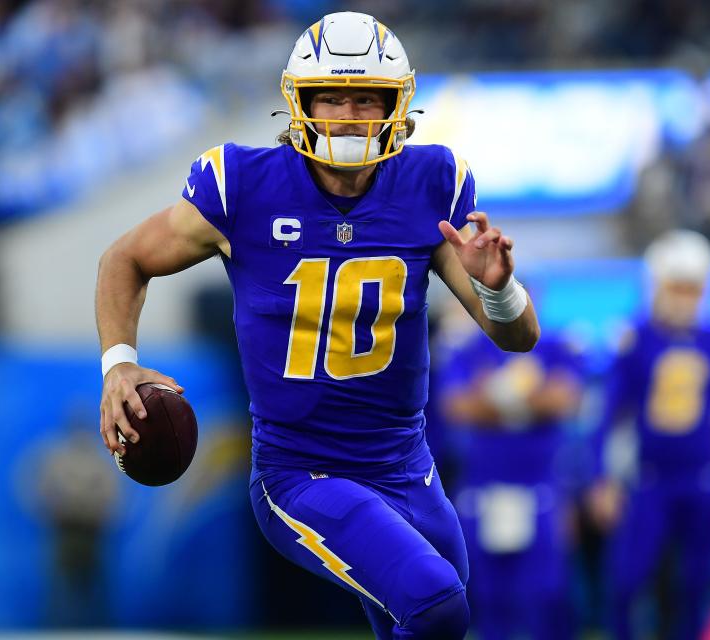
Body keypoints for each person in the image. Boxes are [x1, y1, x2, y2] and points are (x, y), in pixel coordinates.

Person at [94, 12, 539, 639]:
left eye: (366, 98)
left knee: (435, 618)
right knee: (438, 603)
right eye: (332, 95)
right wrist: (119, 362)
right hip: (303, 473)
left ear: (397, 105)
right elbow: (126, 258)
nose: (349, 115)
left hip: (407, 467)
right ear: (300, 102)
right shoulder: (242, 186)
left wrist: (499, 290)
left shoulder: (432, 185)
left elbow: (518, 337)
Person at [585, 230, 710, 640]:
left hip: (704, 479)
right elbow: (607, 415)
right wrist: (600, 478)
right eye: (675, 286)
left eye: (692, 287)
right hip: (650, 480)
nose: (683, 296)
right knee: (626, 583)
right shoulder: (636, 338)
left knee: (696, 586)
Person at [435, 302, 582, 640]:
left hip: (540, 487)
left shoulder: (556, 345)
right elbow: (457, 407)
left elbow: (562, 400)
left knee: (546, 594)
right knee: (488, 597)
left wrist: (495, 396)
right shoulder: (470, 347)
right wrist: (529, 401)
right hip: (483, 487)